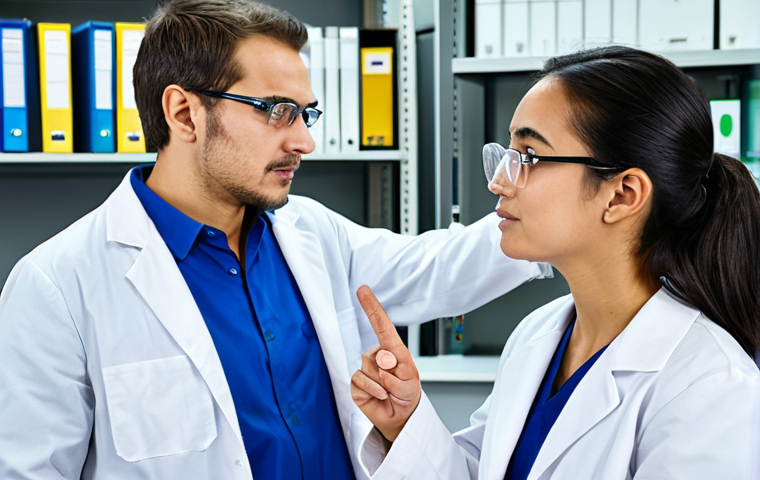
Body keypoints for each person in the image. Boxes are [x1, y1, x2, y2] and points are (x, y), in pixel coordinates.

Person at [0, 1, 552, 479]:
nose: (306, 140)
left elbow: (440, 268)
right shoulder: (57, 286)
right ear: (183, 113)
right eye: (277, 111)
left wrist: (559, 208)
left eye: (306, 112)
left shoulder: (312, 233)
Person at [351, 45, 760, 479]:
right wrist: (406, 421)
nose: (498, 181)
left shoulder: (709, 387)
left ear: (622, 194)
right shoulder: (538, 334)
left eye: (527, 157)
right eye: (507, 154)